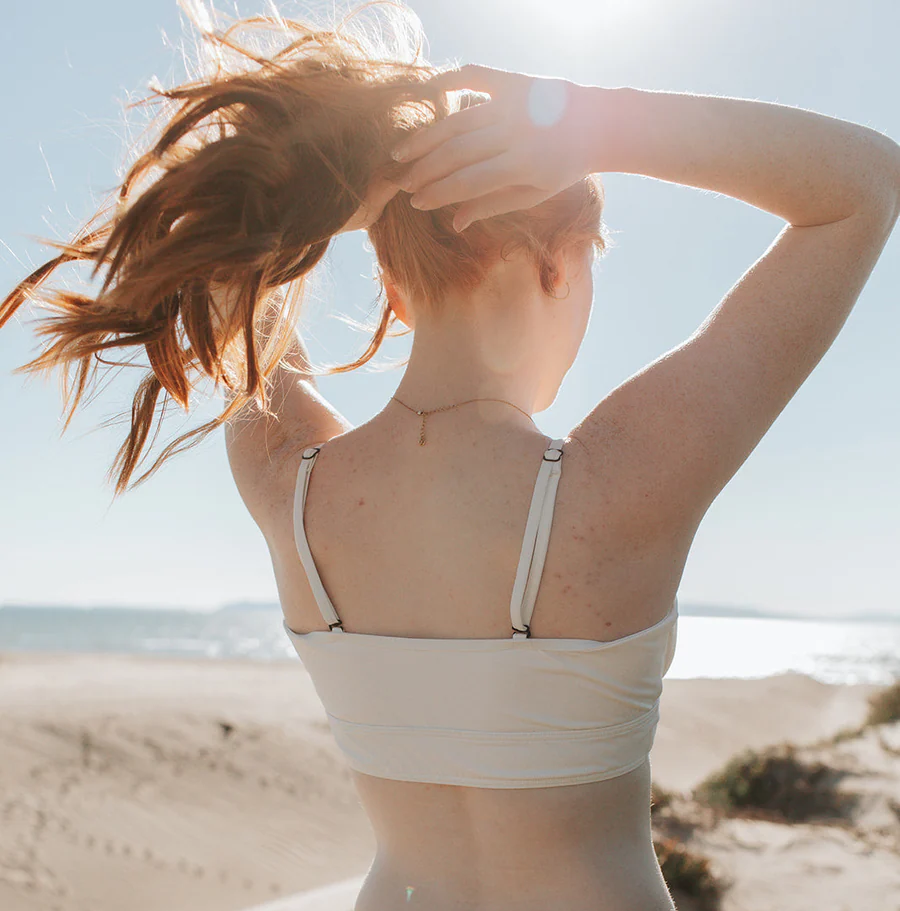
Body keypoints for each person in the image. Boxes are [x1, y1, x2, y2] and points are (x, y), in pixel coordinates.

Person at [2, 3, 898, 910]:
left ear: (390, 288)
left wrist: (371, 184)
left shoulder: (291, 489)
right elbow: (865, 179)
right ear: (563, 265)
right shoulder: (615, 487)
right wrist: (585, 121)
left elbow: (233, 271)